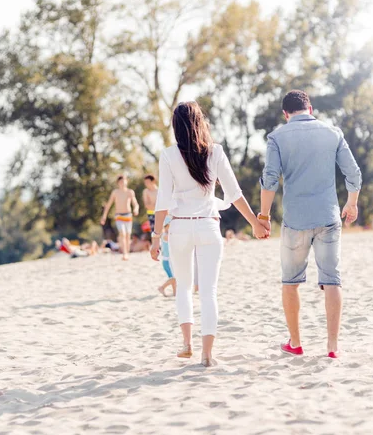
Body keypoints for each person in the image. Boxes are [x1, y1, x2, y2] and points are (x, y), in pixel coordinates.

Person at [150, 101, 268, 367]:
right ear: (200, 123)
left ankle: (187, 344)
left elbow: (163, 201)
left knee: (183, 287)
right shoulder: (215, 152)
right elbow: (234, 193)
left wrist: (156, 238)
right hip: (208, 225)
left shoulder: (168, 155)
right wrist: (255, 223)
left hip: (179, 226)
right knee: (209, 291)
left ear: (175, 127)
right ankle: (207, 354)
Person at [259, 90, 362, 359]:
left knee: (290, 282)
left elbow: (270, 178)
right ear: (310, 108)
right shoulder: (333, 133)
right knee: (332, 280)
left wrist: (263, 215)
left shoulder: (277, 137)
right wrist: (351, 203)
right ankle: (332, 347)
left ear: (286, 113)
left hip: (295, 221)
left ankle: (295, 343)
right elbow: (353, 173)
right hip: (329, 218)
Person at [100, 175, 139, 260]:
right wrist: (104, 216)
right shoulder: (115, 192)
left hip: (128, 216)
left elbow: (135, 203)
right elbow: (109, 205)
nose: (122, 183)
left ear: (126, 182)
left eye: (124, 181)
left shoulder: (130, 192)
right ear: (118, 183)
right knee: (122, 233)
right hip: (119, 216)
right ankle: (124, 253)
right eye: (120, 182)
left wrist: (136, 209)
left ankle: (127, 252)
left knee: (128, 235)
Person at [158, 216, 176, 297]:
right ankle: (162, 287)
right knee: (173, 277)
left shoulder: (167, 234)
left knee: (174, 277)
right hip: (167, 261)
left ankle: (175, 292)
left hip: (170, 260)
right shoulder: (165, 235)